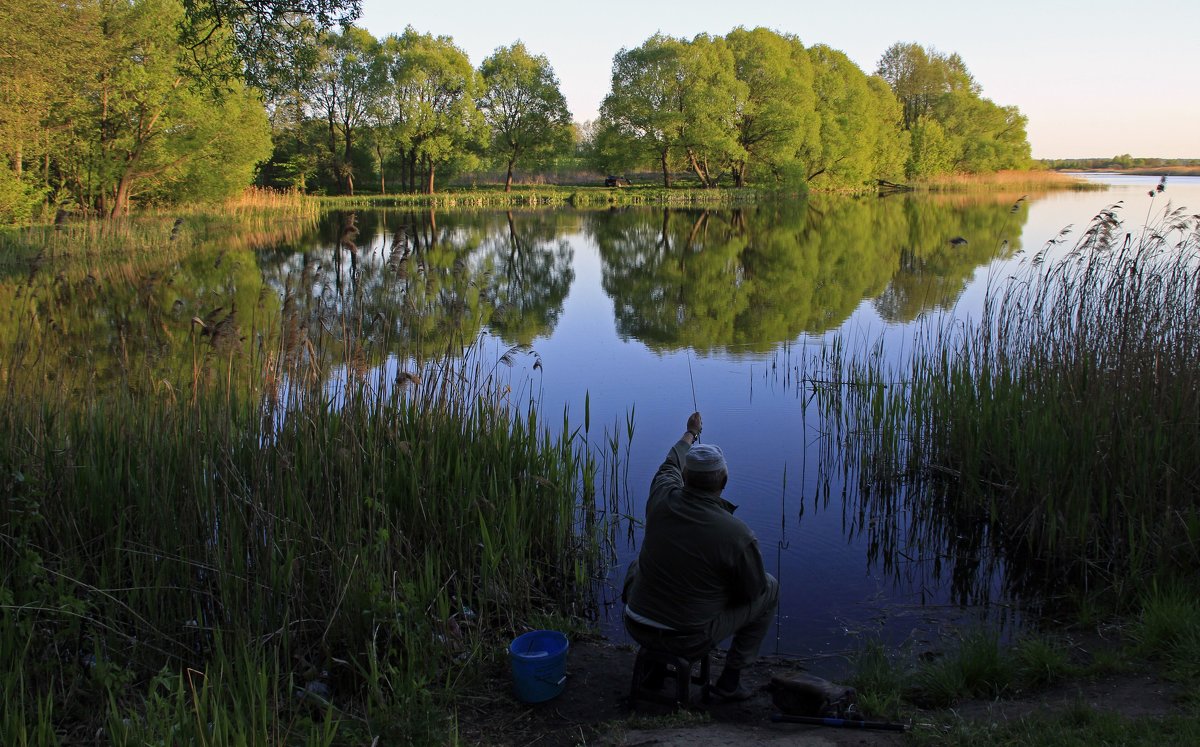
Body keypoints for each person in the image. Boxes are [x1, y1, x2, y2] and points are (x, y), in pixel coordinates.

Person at [622, 411, 779, 701]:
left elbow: (671, 462)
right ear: (724, 480)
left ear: (685, 477)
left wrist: (690, 433)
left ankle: (655, 667)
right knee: (769, 588)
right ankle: (731, 680)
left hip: (636, 624)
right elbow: (753, 591)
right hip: (688, 639)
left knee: (639, 564)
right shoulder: (738, 534)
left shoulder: (661, 495)